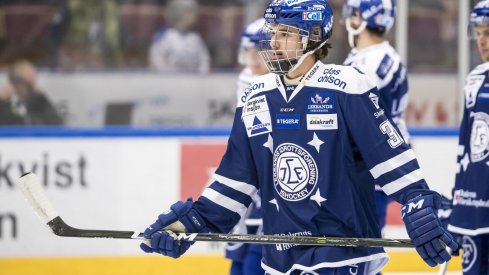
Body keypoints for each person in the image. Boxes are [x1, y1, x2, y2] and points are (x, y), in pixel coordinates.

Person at [140, 1, 458, 274]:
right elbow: (235, 180)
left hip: (342, 255)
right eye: (273, 32)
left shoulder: (346, 85)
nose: (274, 42)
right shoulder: (255, 97)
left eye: (286, 34)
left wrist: (417, 198)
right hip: (278, 258)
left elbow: (387, 154)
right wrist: (189, 224)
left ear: (314, 38)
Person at [342, 0, 408, 234]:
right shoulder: (368, 56)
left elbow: (360, 118)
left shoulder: (375, 61)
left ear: (362, 17)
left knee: (362, 250)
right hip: (370, 164)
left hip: (370, 165)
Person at [447, 1, 489, 274]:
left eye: (488, 32)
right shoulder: (474, 79)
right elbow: (466, 145)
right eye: (478, 32)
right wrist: (457, 202)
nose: (482, 41)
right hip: (474, 203)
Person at [226, 18, 267, 275]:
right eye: (248, 50)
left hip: (271, 177)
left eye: (257, 51)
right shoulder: (246, 79)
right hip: (249, 172)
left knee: (260, 247)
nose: (251, 58)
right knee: (239, 249)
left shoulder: (282, 83)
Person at [148, 0, 210, 74]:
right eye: (191, 12)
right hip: (169, 82)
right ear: (180, 12)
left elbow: (204, 61)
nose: (195, 16)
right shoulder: (164, 37)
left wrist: (200, 79)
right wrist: (169, 79)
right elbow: (157, 61)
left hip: (192, 83)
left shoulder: (195, 38)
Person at [0, 60, 62, 125]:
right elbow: (6, 124)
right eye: (21, 81)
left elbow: (56, 123)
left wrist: (42, 100)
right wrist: (3, 104)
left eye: (32, 81)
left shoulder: (39, 101)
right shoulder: (6, 101)